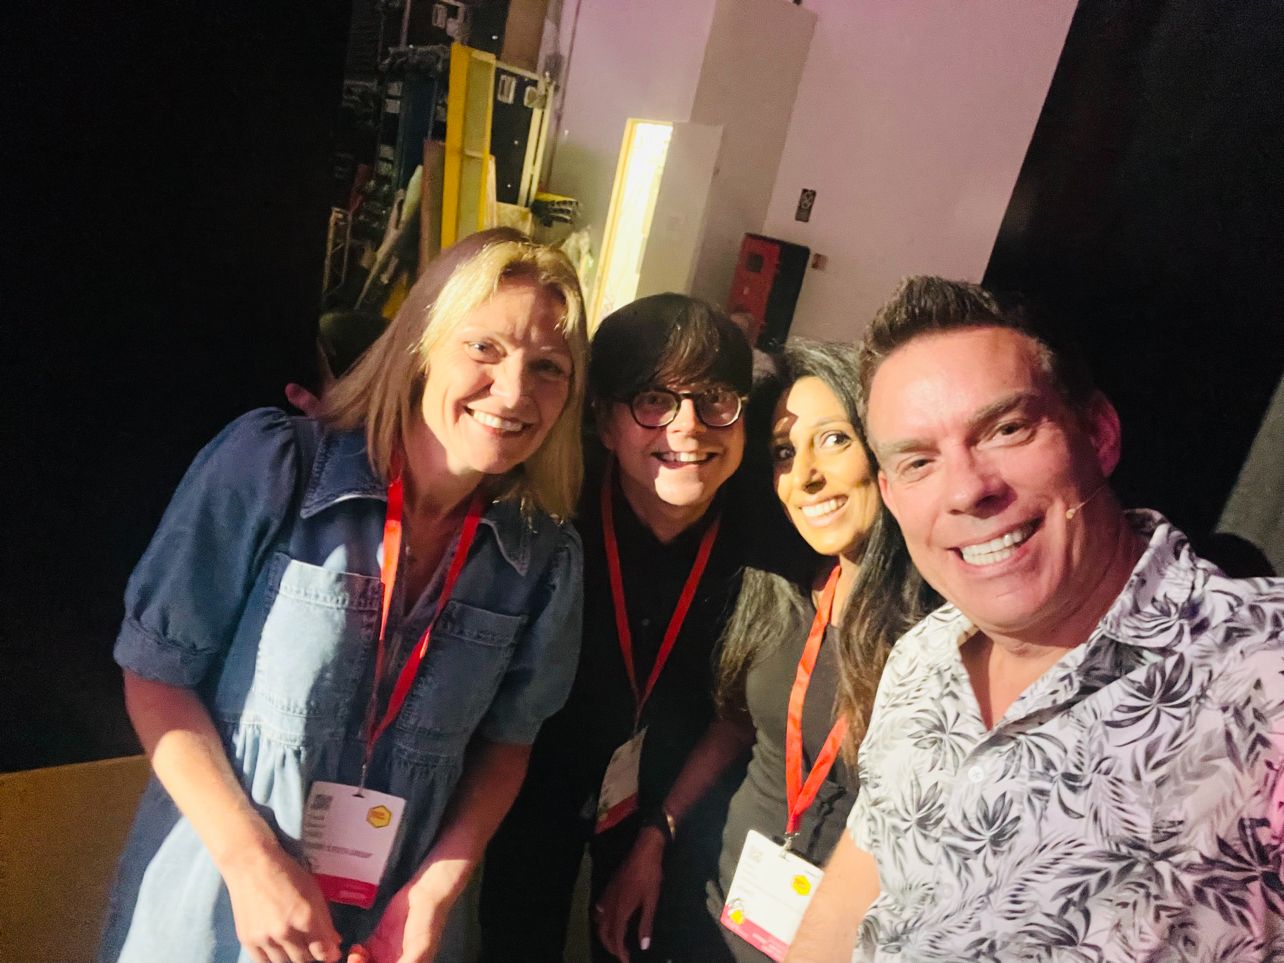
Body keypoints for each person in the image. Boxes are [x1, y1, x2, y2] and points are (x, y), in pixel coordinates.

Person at [101, 230, 589, 963]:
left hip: (396, 924)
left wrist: (433, 894)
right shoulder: (274, 467)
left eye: (548, 367)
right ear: (422, 345)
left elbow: (506, 745)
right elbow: (154, 676)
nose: (515, 391)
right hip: (224, 902)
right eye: (484, 347)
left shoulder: (544, 557)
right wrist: (251, 862)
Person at [786, 276, 1284, 962]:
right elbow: (844, 912)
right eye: (919, 460)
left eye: (1006, 428)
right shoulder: (921, 661)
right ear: (894, 497)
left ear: (1099, 434)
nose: (967, 489)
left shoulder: (1262, 674)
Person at [592, 340, 932, 963]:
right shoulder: (785, 593)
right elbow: (742, 723)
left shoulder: (938, 636)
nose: (805, 475)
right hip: (705, 908)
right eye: (783, 452)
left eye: (833, 439)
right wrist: (656, 833)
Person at [480, 294, 776, 963]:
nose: (689, 428)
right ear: (604, 422)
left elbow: (742, 707)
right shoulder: (552, 497)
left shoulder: (768, 521)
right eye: (653, 401)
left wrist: (659, 829)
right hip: (538, 772)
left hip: (681, 790)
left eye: (715, 400)